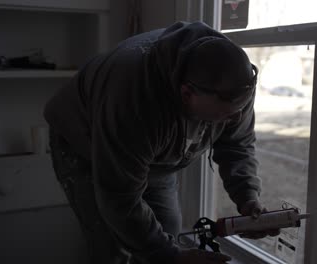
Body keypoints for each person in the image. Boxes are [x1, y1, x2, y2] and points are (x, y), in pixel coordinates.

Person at [44, 21, 279, 264]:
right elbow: (120, 198)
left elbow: (236, 145)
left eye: (241, 109)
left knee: (167, 233)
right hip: (84, 142)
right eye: (226, 114)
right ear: (187, 94)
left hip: (151, 149)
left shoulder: (235, 81)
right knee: (114, 248)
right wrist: (169, 256)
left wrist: (247, 197)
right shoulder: (133, 102)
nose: (236, 119)